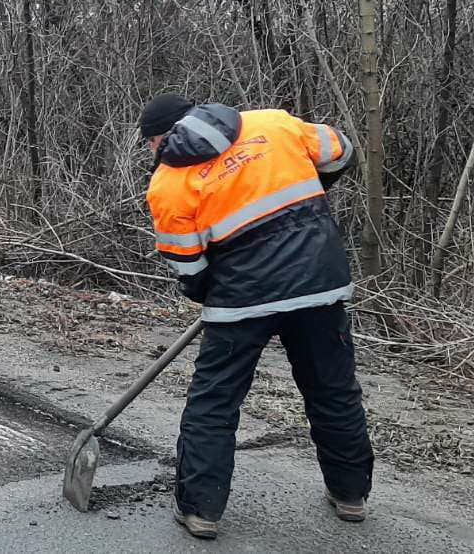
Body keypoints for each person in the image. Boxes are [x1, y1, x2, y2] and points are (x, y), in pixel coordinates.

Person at [140, 93, 373, 540]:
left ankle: (201, 510)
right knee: (332, 390)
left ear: (162, 138)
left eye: (150, 144)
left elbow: (187, 267)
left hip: (240, 300)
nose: (151, 153)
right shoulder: (275, 124)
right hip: (319, 284)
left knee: (214, 403)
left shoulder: (169, 183)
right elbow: (341, 149)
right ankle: (350, 496)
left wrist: (217, 293)